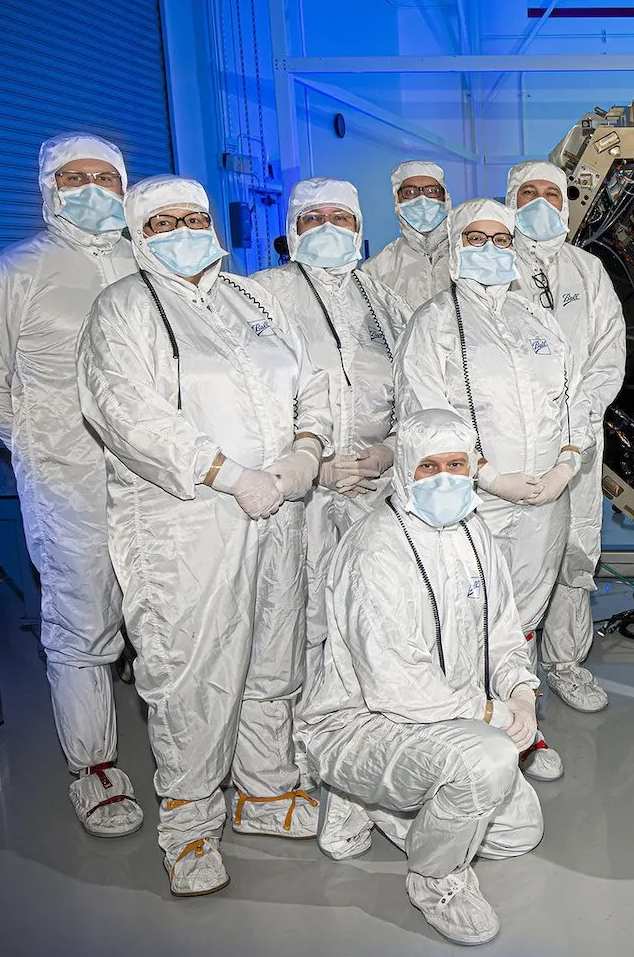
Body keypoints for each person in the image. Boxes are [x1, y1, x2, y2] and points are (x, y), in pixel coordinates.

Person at [79, 175, 331, 896]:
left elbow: (309, 382)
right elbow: (128, 414)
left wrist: (306, 451)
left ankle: (266, 792)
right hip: (187, 523)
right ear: (138, 233)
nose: (183, 231)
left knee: (273, 656)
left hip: (278, 506)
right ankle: (189, 826)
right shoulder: (123, 308)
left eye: (193, 217)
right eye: (163, 223)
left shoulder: (251, 299)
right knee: (192, 673)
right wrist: (225, 472)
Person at [299, 408, 542, 946]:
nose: (445, 479)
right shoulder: (375, 548)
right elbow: (397, 683)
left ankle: (372, 802)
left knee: (521, 832)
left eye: (457, 465)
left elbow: (504, 633)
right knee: (486, 764)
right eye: (429, 467)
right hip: (365, 722)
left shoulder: (475, 533)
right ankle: (436, 879)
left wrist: (522, 695)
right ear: (405, 467)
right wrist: (492, 714)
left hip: (446, 717)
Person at [0, 133, 140, 837]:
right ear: (48, 189)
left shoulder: (150, 261)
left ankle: (192, 753)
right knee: (82, 618)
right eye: (74, 178)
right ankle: (95, 769)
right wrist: (41, 445)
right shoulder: (10, 275)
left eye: (106, 178)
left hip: (161, 481)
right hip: (71, 484)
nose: (92, 190)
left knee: (172, 615)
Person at [399, 198, 588, 784]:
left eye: (501, 239)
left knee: (524, 613)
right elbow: (421, 415)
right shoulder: (433, 322)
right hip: (473, 501)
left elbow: (573, 399)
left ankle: (522, 727)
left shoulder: (536, 319)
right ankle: (471, 732)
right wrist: (486, 475)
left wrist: (566, 464)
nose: (490, 250)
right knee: (470, 615)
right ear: (456, 248)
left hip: (545, 497)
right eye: (476, 239)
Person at [251, 177, 412, 701]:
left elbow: (416, 391)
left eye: (340, 218)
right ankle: (302, 725)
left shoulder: (384, 302)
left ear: (359, 227)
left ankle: (361, 718)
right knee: (297, 613)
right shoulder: (258, 296)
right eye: (313, 218)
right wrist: (311, 464)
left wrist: (389, 451)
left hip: (374, 487)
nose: (327, 228)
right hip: (298, 492)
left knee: (374, 606)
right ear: (293, 229)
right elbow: (250, 399)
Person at [506, 160, 625, 714]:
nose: (539, 203)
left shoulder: (587, 271)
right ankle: (512, 675)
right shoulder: (494, 268)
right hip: (514, 440)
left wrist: (579, 417)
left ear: (566, 203)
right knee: (516, 557)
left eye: (550, 194)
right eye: (527, 193)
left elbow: (609, 351)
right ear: (510, 200)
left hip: (579, 439)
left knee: (576, 550)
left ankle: (566, 663)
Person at [363, 159, 453, 313]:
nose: (422, 200)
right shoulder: (376, 268)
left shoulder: (468, 255)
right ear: (397, 200)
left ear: (445, 197)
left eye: (432, 191)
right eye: (410, 192)